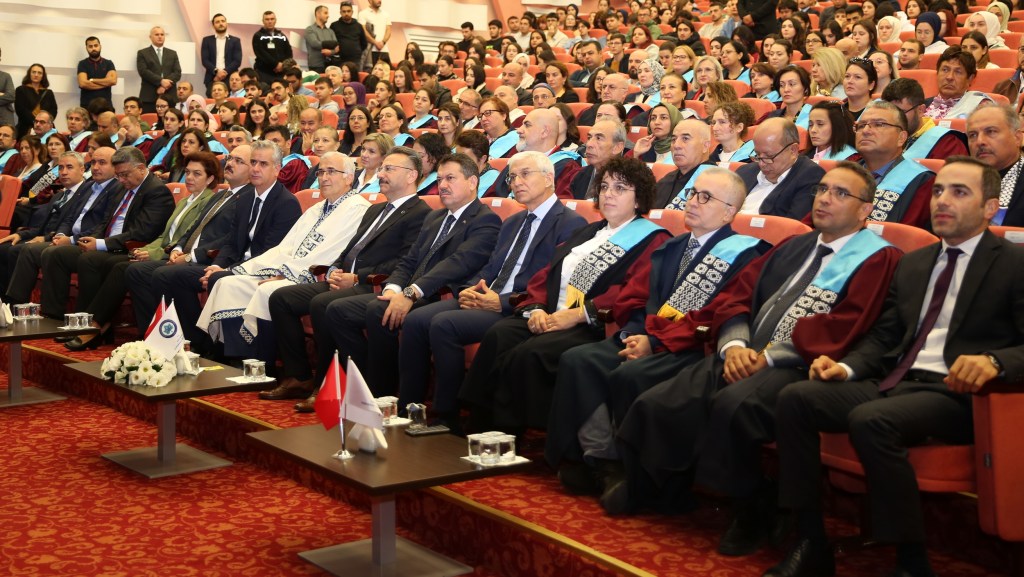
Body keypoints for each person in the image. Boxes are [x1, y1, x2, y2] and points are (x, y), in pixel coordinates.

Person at [770, 157, 1024, 577]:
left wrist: (996, 361)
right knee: (797, 398)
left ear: (990, 206)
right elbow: (885, 337)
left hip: (959, 393)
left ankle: (911, 562)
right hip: (896, 381)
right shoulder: (915, 262)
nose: (942, 201)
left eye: (959, 192)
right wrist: (846, 369)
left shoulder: (1014, 264)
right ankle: (810, 540)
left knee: (873, 420)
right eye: (938, 191)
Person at [615, 160, 901, 524]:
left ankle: (752, 509)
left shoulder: (879, 257)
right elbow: (738, 296)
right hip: (743, 352)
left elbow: (847, 326)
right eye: (822, 189)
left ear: (865, 209)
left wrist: (767, 357)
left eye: (841, 193)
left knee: (734, 405)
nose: (825, 198)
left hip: (798, 365)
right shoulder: (793, 245)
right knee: (660, 401)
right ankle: (661, 490)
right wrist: (735, 345)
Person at [545, 167, 767, 502]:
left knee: (629, 374)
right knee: (579, 360)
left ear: (729, 212)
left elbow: (718, 314)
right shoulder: (672, 248)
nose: (693, 202)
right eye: (692, 193)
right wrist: (635, 334)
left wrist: (656, 342)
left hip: (691, 347)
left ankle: (640, 476)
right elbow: (640, 301)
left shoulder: (747, 254)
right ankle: (600, 458)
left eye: (705, 197)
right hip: (649, 335)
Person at [460, 156, 671, 434]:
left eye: (620, 188)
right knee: (500, 334)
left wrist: (578, 314)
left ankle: (510, 432)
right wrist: (536, 308)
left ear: (639, 198)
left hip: (591, 323)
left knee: (530, 352)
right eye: (604, 187)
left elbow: (633, 291)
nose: (608, 194)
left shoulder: (653, 239)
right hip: (551, 313)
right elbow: (548, 273)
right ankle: (479, 425)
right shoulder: (589, 232)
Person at [397, 151, 587, 425]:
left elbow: (551, 282)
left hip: (518, 306)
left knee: (443, 324)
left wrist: (503, 302)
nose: (516, 182)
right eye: (512, 177)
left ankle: (446, 414)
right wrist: (472, 288)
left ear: (549, 178)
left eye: (525, 174)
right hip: (487, 297)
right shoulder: (512, 222)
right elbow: (491, 267)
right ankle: (408, 409)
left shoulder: (571, 224)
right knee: (416, 319)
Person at [325, 151, 501, 396]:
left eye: (450, 178)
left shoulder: (485, 220)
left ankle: (387, 394)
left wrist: (410, 293)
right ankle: (363, 387)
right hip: (411, 290)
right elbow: (409, 261)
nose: (443, 185)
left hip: (438, 294)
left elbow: (456, 264)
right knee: (339, 310)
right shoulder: (435, 217)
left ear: (472, 182)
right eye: (439, 179)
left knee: (378, 310)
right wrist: (392, 289)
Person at [266, 154, 431, 408]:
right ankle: (299, 376)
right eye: (382, 168)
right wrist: (335, 268)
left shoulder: (421, 213)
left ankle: (330, 384)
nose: (380, 174)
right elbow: (352, 248)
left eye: (388, 169)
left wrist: (357, 277)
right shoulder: (375, 209)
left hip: (373, 283)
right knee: (281, 298)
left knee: (323, 304)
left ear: (411, 175)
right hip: (345, 279)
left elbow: (403, 262)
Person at [130, 140, 301, 352]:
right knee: (173, 276)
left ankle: (223, 351)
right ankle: (190, 342)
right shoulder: (246, 198)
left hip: (260, 270)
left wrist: (226, 269)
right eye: (253, 162)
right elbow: (232, 242)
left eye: (263, 164)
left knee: (214, 278)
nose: (256, 168)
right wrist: (217, 265)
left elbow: (269, 253)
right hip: (234, 265)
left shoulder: (286, 203)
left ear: (277, 169)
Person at [198, 152, 369, 361]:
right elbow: (285, 247)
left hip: (311, 276)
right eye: (321, 172)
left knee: (268, 291)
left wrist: (286, 273)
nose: (324, 178)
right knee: (229, 284)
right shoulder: (317, 208)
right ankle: (235, 357)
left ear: (349, 177)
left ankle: (265, 363)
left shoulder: (357, 209)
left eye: (331, 172)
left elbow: (331, 252)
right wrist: (261, 269)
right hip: (288, 270)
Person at [65, 151, 219, 351]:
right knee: (107, 263)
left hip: (180, 257)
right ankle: (107, 325)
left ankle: (100, 325)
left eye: (196, 174)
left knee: (126, 268)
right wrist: (146, 249)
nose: (189, 177)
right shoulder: (184, 201)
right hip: (165, 251)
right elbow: (164, 236)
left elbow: (186, 240)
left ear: (210, 179)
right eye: (187, 172)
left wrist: (154, 253)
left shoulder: (208, 202)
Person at [124, 145, 253, 338]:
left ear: (253, 169)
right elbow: (194, 227)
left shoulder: (249, 197)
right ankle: (153, 334)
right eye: (230, 158)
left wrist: (190, 256)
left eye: (239, 161)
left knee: (164, 274)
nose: (230, 164)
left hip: (212, 259)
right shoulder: (221, 194)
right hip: (188, 254)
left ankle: (191, 337)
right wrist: (177, 248)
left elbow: (231, 238)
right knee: (136, 271)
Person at [34, 146, 174, 320]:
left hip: (129, 247)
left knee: (89, 259)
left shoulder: (156, 191)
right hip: (108, 243)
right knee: (56, 254)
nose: (121, 180)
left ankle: (85, 319)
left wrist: (100, 244)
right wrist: (93, 239)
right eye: (118, 175)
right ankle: (52, 316)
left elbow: (141, 232)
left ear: (140, 168)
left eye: (124, 175)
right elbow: (105, 221)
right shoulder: (122, 187)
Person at [5, 147, 123, 306]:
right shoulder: (88, 186)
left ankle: (36, 309)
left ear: (115, 167)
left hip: (88, 241)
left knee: (39, 251)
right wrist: (60, 236)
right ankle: (12, 305)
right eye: (94, 162)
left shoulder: (118, 189)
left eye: (102, 163)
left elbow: (102, 225)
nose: (95, 167)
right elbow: (69, 218)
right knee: (17, 248)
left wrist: (71, 239)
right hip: (68, 238)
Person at [0, 150, 89, 294]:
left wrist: (46, 238)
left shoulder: (86, 194)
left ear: (82, 169)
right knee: (4, 247)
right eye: (60, 168)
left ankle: (14, 299)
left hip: (60, 240)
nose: (64, 172)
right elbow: (41, 227)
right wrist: (21, 235)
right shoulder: (58, 195)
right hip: (44, 237)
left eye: (69, 167)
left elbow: (71, 227)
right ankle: (3, 300)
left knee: (16, 250)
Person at [853, 100, 935, 228]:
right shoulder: (843, 173)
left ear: (901, 138)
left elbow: (907, 235)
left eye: (879, 124)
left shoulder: (922, 181)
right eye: (862, 125)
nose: (866, 131)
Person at [737, 118, 823, 219]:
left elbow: (793, 225)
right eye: (757, 154)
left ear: (793, 150)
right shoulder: (744, 172)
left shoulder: (811, 176)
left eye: (769, 156)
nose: (761, 163)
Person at [491, 108, 582, 199]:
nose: (519, 130)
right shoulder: (516, 162)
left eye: (527, 125)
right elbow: (492, 198)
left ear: (545, 132)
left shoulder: (567, 167)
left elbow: (560, 204)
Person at [881, 78, 968, 161]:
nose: (894, 120)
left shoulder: (947, 143)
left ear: (920, 110)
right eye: (889, 114)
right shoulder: (883, 138)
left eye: (901, 112)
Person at [967, 105, 1024, 226]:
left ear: (1017, 138)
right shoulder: (959, 180)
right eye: (973, 135)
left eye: (991, 132)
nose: (980, 141)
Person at [924, 47, 994, 120]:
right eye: (945, 70)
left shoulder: (980, 106)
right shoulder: (922, 105)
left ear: (970, 79)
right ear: (937, 74)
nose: (949, 77)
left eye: (958, 72)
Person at [570, 119, 627, 199]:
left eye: (598, 138)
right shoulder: (579, 176)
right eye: (589, 137)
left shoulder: (629, 180)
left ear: (617, 147)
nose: (589, 144)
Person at [137, 27, 181, 114]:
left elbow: (177, 72)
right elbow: (143, 71)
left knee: (170, 119)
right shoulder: (143, 53)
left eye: (162, 34)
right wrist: (160, 81)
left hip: (169, 95)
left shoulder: (172, 53)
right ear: (150, 37)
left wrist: (164, 86)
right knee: (149, 120)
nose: (160, 36)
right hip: (149, 96)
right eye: (157, 34)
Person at [200, 14, 242, 96]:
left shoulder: (235, 40)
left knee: (230, 101)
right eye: (217, 22)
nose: (221, 23)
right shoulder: (207, 40)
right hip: (212, 78)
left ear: (226, 23)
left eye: (223, 21)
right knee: (212, 100)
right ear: (213, 25)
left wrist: (224, 72)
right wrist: (217, 72)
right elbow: (205, 60)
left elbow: (237, 61)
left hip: (230, 78)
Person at [14, 64, 57, 139]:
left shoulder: (48, 92)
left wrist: (45, 122)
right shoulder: (21, 90)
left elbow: (53, 110)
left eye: (39, 73)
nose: (36, 75)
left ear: (43, 76)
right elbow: (21, 110)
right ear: (29, 74)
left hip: (46, 129)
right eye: (33, 72)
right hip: (26, 128)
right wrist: (36, 123)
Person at [77, 37, 117, 108]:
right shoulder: (82, 64)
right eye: (90, 46)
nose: (93, 48)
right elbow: (83, 84)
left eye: (96, 45)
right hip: (87, 105)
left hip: (106, 105)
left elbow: (113, 81)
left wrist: (92, 80)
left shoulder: (108, 63)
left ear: (100, 46)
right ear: (86, 48)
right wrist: (105, 83)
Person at [253, 11, 292, 83]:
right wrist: (276, 64)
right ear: (263, 21)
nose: (270, 21)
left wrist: (283, 65)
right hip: (264, 72)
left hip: (281, 72)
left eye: (272, 19)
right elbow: (261, 54)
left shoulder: (282, 36)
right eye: (267, 19)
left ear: (275, 20)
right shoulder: (258, 36)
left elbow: (289, 52)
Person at [331, 1, 367, 66]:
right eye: (344, 11)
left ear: (352, 12)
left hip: (355, 60)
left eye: (348, 11)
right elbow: (331, 42)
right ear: (340, 12)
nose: (346, 13)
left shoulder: (358, 26)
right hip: (339, 60)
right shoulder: (334, 25)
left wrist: (357, 51)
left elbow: (364, 43)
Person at [360, 0, 393, 66]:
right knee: (371, 71)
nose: (379, 0)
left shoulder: (386, 14)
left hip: (384, 50)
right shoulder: (363, 14)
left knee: (386, 71)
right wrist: (375, 42)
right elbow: (363, 31)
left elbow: (388, 30)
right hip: (370, 51)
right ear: (370, 1)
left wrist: (383, 42)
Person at [0, 50, 14, 128]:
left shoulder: (6, 76)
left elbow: (11, 96)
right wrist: (3, 95)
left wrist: (6, 95)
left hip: (5, 120)